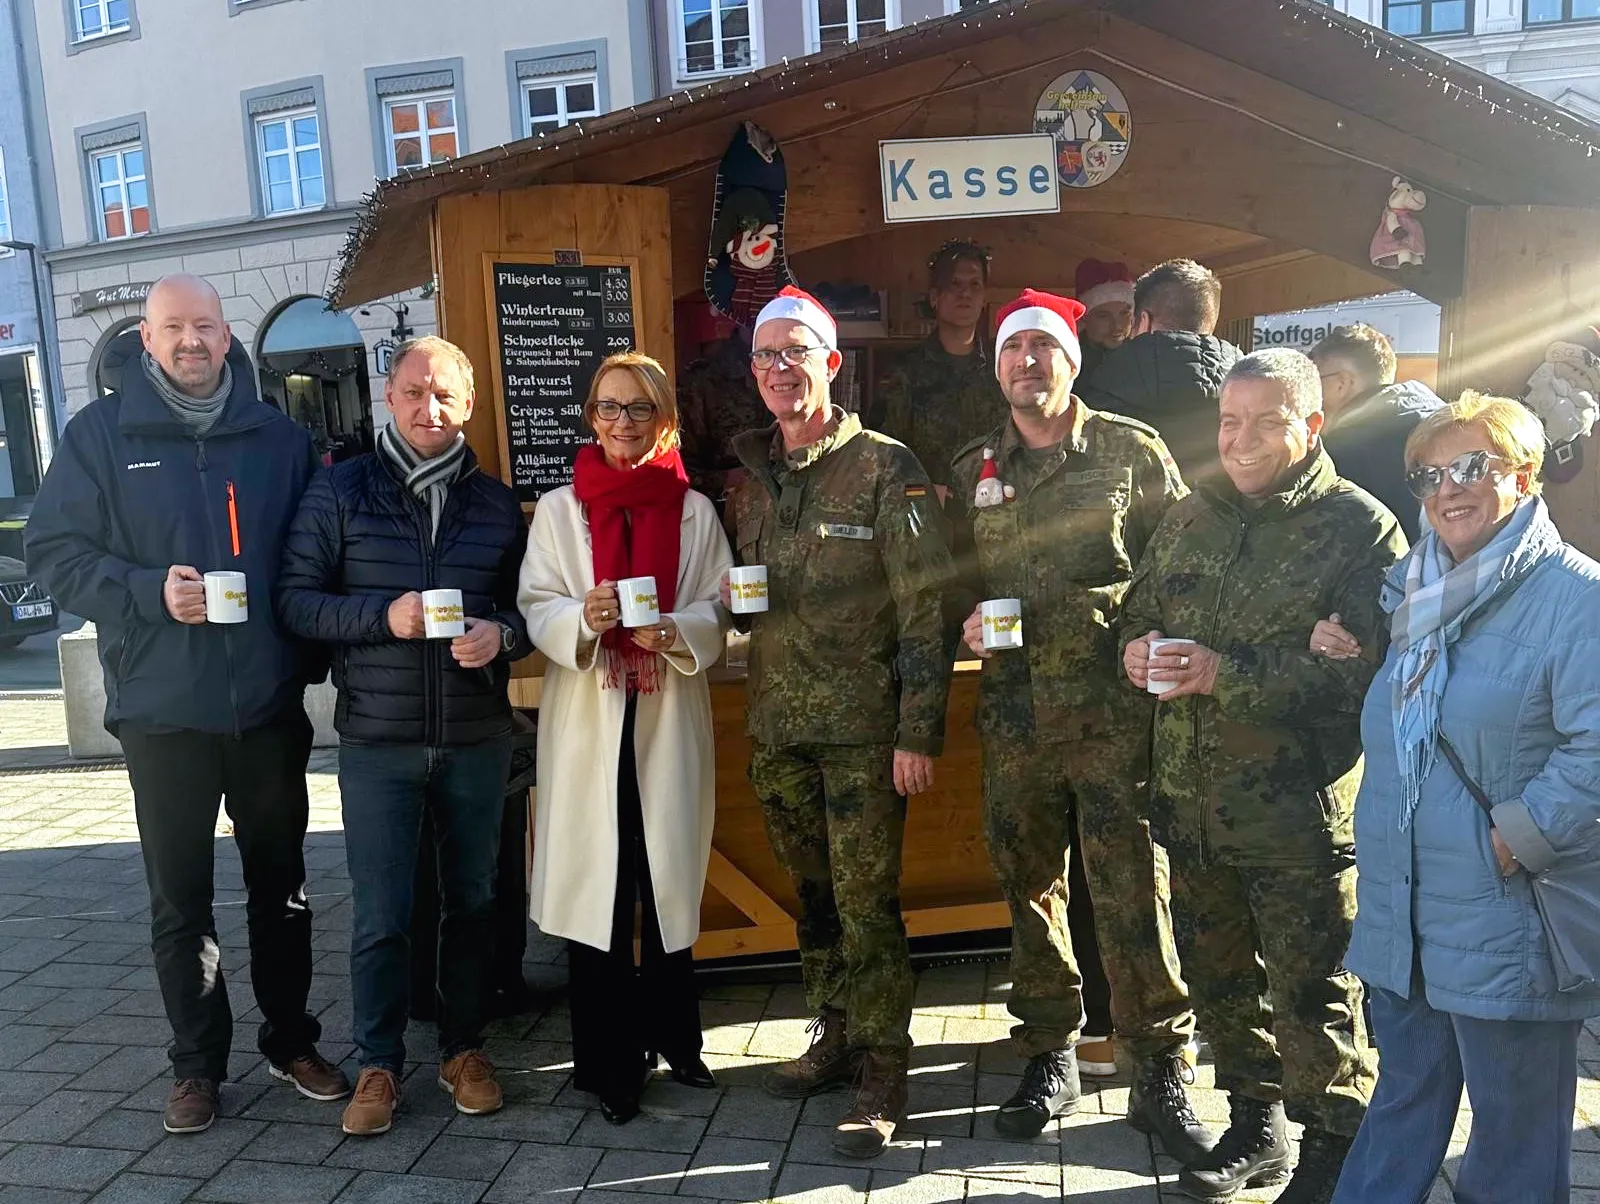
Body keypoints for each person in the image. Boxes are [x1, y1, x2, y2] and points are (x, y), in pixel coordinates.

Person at [24, 274, 347, 1135]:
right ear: (148, 336)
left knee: (283, 889)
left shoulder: (278, 437)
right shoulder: (99, 434)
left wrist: (305, 658)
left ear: (227, 336)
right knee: (181, 898)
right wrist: (142, 590)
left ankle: (291, 1041)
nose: (192, 341)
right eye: (174, 328)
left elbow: (313, 557)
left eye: (205, 326)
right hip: (163, 709)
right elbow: (52, 553)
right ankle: (197, 1065)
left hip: (267, 707)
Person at [1121, 349, 1404, 1202]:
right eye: (1229, 422)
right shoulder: (1191, 514)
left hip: (1295, 823)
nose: (1241, 441)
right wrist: (1129, 650)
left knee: (1311, 993)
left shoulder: (1361, 530)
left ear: (1311, 425)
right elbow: (1136, 611)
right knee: (1219, 982)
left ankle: (1333, 1145)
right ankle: (1256, 1124)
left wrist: (1223, 672)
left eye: (1267, 422)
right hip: (1191, 808)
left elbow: (1368, 676)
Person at [946, 288, 1206, 1152]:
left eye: (1044, 348)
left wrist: (1149, 638)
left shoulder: (1132, 451)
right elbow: (939, 585)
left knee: (1134, 886)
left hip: (1115, 715)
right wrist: (965, 622)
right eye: (1013, 349)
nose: (1028, 362)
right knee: (1029, 888)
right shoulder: (971, 469)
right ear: (997, 368)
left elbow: (1180, 570)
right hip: (1015, 720)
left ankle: (1161, 1062)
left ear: (1073, 360)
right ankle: (1048, 1051)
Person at [1325, 392, 1600, 1204]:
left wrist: (1524, 833)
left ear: (1522, 475)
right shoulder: (1413, 595)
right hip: (1404, 911)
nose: (1450, 487)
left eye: (1473, 466)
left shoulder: (1576, 598)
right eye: (1430, 474)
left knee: (1514, 1133)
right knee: (1402, 1105)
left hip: (1503, 909)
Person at [277, 335, 531, 1137]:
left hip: (475, 735)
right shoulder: (342, 491)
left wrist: (502, 635)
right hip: (378, 740)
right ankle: (379, 1062)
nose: (430, 408)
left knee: (474, 902)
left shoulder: (493, 502)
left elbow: (530, 607)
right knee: (382, 911)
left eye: (446, 395)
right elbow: (296, 602)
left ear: (469, 406)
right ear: (390, 397)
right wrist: (381, 618)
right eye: (415, 392)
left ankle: (462, 1048)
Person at [726, 286, 953, 1159]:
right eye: (766, 357)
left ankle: (883, 1067)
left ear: (832, 362)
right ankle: (836, 1032)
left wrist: (917, 731)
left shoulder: (887, 467)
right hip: (779, 727)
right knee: (813, 902)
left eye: (796, 353)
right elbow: (757, 602)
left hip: (865, 733)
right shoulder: (755, 482)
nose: (781, 370)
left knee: (867, 907)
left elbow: (925, 606)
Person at [518, 352, 732, 1125]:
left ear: (664, 418)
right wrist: (585, 617)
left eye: (638, 409)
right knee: (601, 893)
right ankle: (608, 1064)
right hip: (590, 719)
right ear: (590, 415)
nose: (621, 423)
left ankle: (677, 1040)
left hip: (667, 713)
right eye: (608, 407)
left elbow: (719, 604)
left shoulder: (694, 510)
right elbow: (535, 601)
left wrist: (675, 627)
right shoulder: (559, 510)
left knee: (662, 883)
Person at [1080, 258, 1242, 480]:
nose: (1118, 327)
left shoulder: (1092, 392)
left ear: (1143, 320)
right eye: (1103, 315)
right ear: (1210, 321)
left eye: (1128, 316)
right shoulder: (1249, 391)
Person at [876, 239, 1008, 500]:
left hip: (996, 511)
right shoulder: (904, 373)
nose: (965, 294)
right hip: (927, 516)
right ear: (935, 297)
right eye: (955, 285)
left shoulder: (1003, 366)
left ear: (984, 299)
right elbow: (882, 455)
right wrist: (921, 491)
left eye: (975, 285)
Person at [1307, 323, 1443, 543]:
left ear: (1342, 382)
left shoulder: (1345, 449)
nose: (1311, 395)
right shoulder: (1443, 423)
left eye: (1315, 381)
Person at [677, 303, 766, 511]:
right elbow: (677, 468)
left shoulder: (796, 376)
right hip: (724, 517)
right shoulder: (703, 381)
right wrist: (727, 479)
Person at [1074, 258, 1136, 382]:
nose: (1117, 326)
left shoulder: (1144, 357)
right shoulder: (1071, 365)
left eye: (1124, 313)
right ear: (1085, 318)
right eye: (1103, 316)